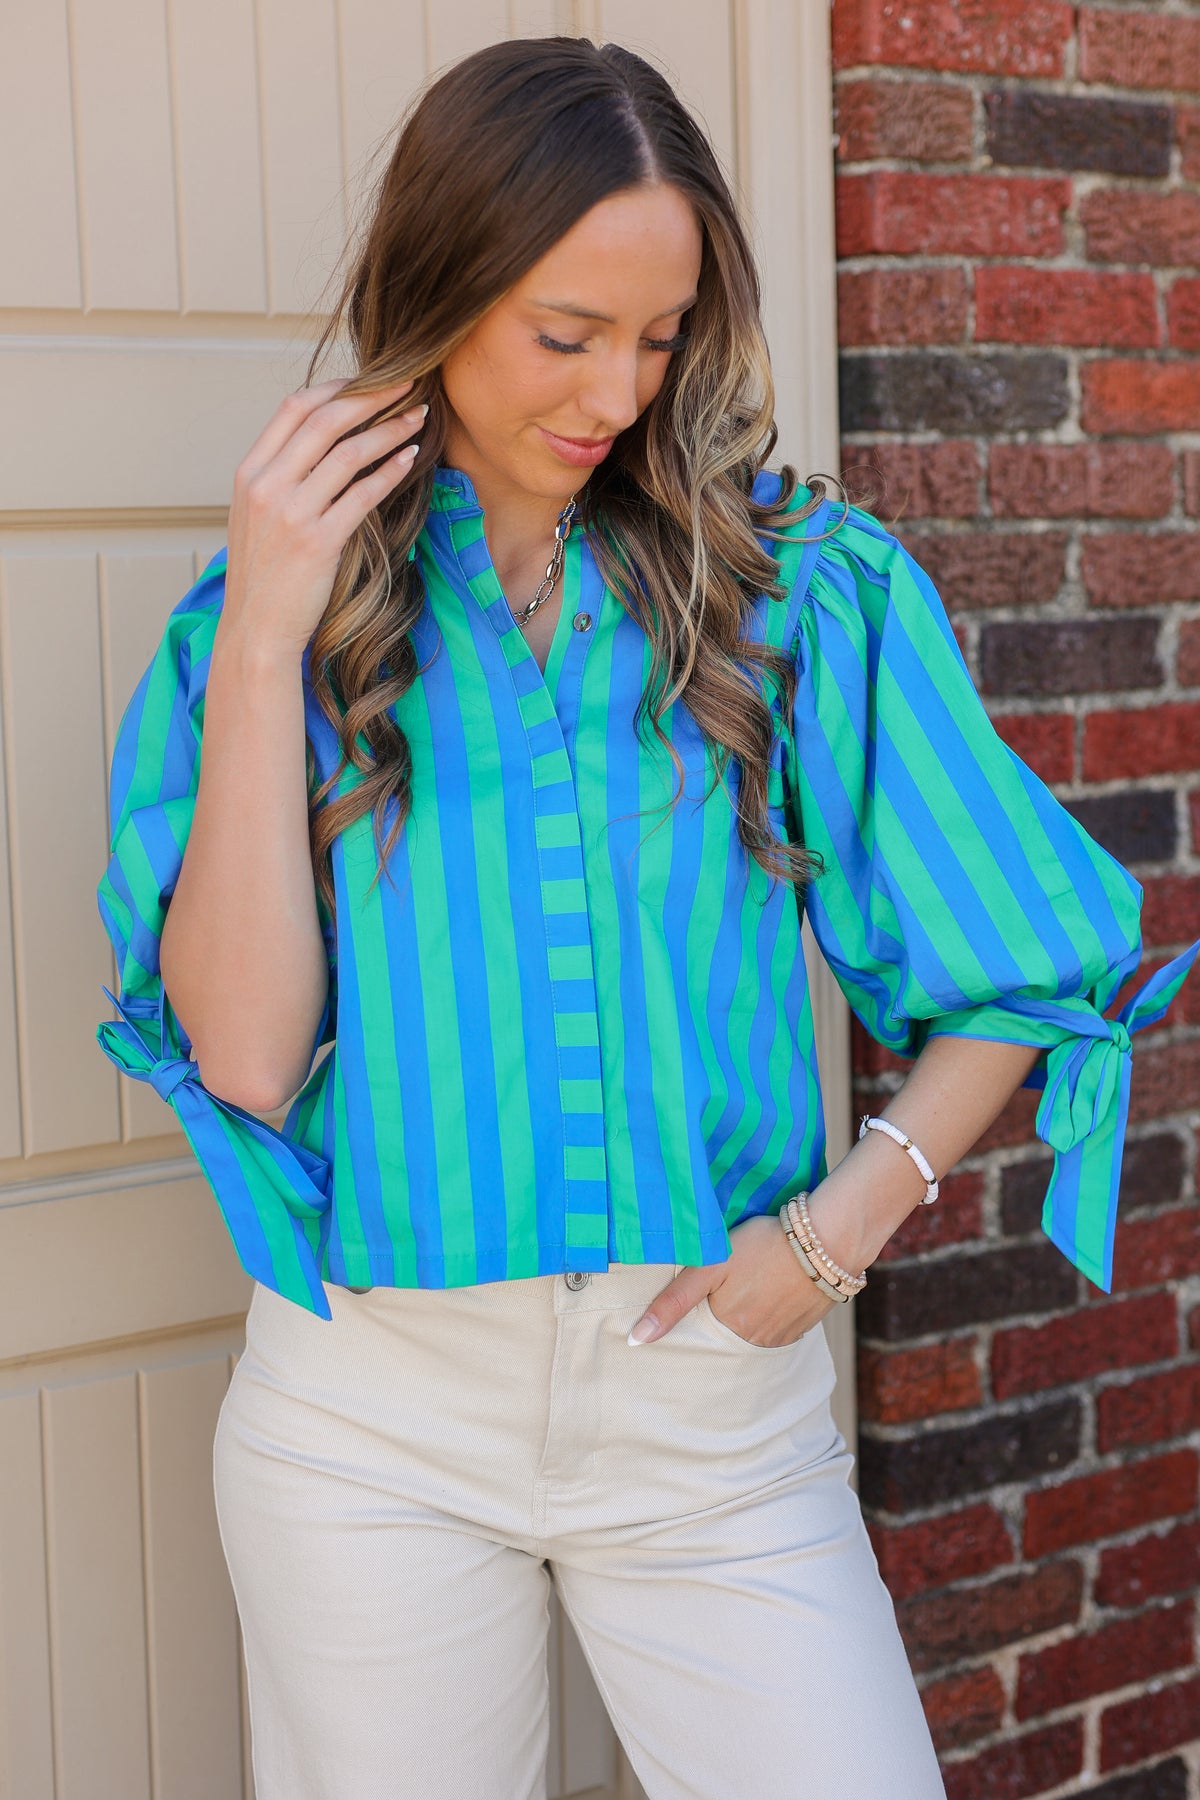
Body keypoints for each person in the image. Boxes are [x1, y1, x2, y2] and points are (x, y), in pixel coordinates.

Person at [94, 35, 1197, 1800]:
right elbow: (239, 1052)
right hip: (371, 1418)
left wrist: (838, 1236)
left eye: (662, 332)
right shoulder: (270, 620)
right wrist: (261, 638)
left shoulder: (797, 594)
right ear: (438, 290)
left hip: (712, 1420)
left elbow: (1027, 970)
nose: (619, 386)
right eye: (565, 330)